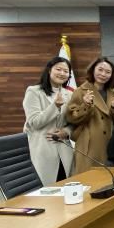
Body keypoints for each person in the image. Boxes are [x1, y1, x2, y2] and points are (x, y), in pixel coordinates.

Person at [66, 57, 114, 174]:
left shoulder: (113, 92)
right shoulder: (81, 91)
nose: (103, 74)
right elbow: (71, 117)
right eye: (100, 70)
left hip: (110, 143)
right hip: (89, 144)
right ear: (93, 70)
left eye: (108, 72)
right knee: (88, 179)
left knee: (108, 179)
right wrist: (85, 105)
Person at [22, 56, 75, 185]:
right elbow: (34, 122)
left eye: (66, 71)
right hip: (43, 150)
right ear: (49, 70)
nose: (62, 73)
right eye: (58, 69)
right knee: (46, 190)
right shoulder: (34, 91)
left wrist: (66, 132)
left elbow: (73, 122)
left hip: (65, 151)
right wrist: (55, 106)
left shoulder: (69, 94)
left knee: (66, 187)